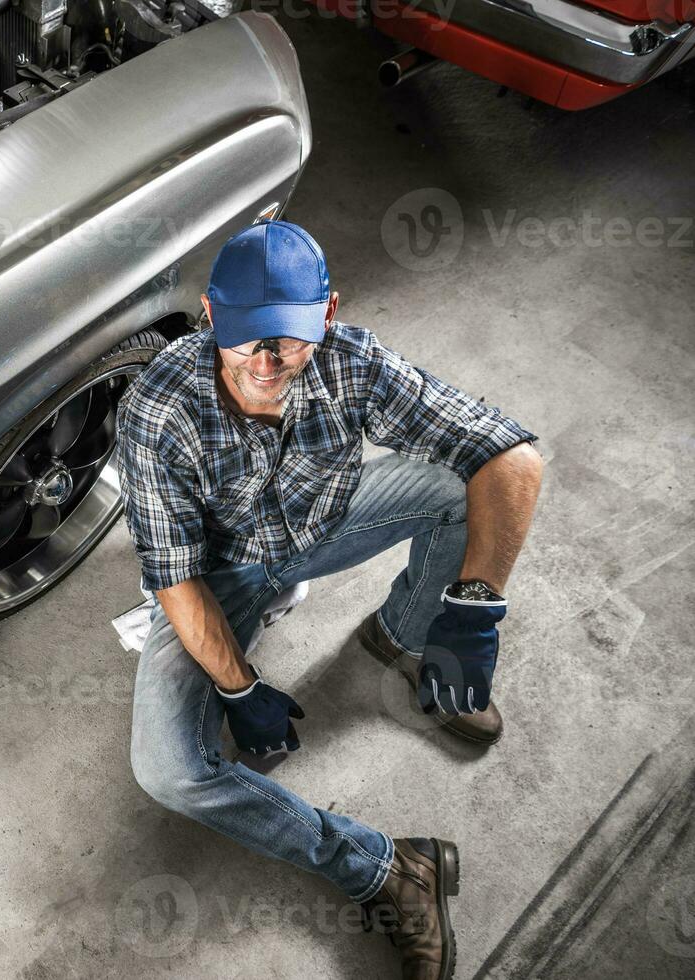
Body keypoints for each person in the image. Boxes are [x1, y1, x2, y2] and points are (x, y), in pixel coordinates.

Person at [116, 220, 543, 980]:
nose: (269, 364)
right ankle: (388, 870)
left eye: (290, 340)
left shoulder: (356, 362)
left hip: (323, 522)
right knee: (171, 770)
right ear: (211, 316)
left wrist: (474, 610)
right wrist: (237, 686)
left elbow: (511, 458)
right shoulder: (158, 410)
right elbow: (176, 579)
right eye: (249, 339)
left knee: (462, 488)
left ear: (330, 316)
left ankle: (407, 643)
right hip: (223, 572)